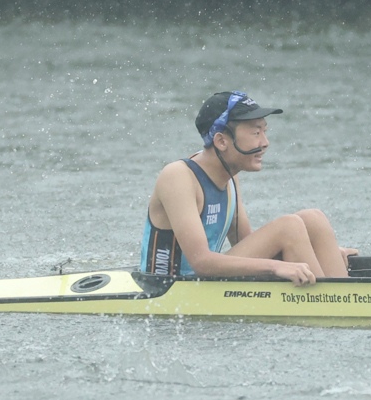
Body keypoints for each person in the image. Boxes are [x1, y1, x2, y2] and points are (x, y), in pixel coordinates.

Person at [141, 92, 352, 286]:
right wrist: (276, 266)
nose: (265, 142)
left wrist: (319, 252)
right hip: (169, 289)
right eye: (256, 132)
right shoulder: (178, 177)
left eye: (264, 131)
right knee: (289, 227)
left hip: (203, 284)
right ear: (221, 141)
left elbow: (247, 246)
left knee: (313, 219)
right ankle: (330, 302)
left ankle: (343, 297)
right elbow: (201, 262)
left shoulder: (230, 178)